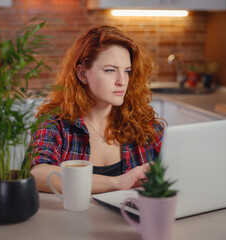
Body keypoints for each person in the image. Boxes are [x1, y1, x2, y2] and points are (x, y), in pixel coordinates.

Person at [26, 25, 165, 194]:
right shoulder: (56, 122)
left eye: (127, 71)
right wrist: (117, 182)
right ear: (83, 74)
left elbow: (178, 166)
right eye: (110, 70)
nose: (122, 81)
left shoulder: (142, 121)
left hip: (129, 219)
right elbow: (38, 173)